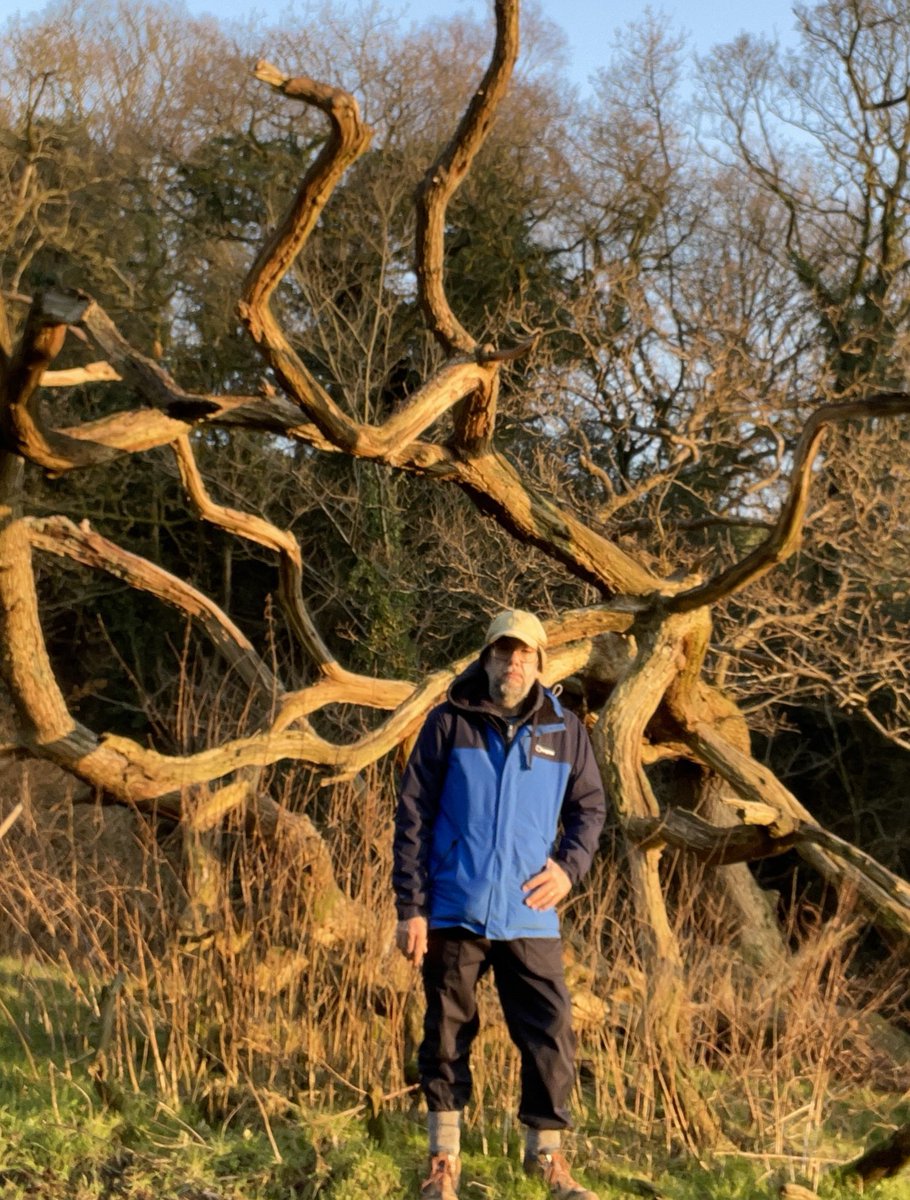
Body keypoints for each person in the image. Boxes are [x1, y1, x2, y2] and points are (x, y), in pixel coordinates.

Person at [394, 609, 605, 1200]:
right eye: (502, 652)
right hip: (453, 906)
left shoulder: (566, 731)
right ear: (485, 658)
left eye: (524, 655)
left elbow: (590, 810)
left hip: (529, 911)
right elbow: (411, 816)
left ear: (540, 664)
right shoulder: (447, 723)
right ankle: (443, 1164)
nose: (513, 663)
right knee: (445, 1034)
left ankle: (549, 1161)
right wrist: (410, 906)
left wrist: (568, 868)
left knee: (551, 1031)